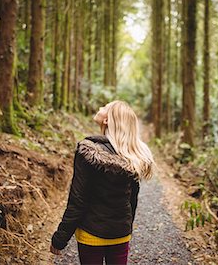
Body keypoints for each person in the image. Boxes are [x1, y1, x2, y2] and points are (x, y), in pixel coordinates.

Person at [50, 100, 155, 265]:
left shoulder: (88, 152)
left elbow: (78, 199)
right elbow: (132, 200)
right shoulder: (132, 158)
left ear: (107, 120)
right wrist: (126, 227)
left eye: (105, 107)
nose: (100, 107)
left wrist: (60, 238)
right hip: (121, 234)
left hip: (91, 234)